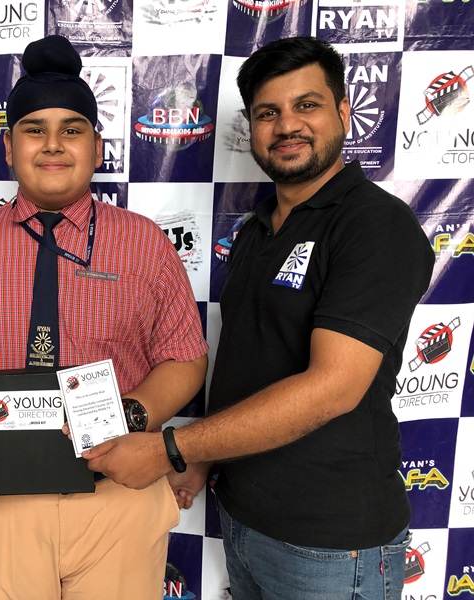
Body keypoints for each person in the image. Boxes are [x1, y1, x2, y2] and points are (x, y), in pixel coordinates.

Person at [83, 36, 435, 599]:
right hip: (245, 522)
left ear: (344, 113)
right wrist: (206, 461)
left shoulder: (375, 225)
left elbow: (334, 387)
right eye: (268, 113)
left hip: (332, 545)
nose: (287, 125)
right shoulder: (259, 228)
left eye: (307, 105)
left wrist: (174, 449)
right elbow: (249, 362)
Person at [0, 35, 208, 599]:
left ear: (96, 147)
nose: (53, 145)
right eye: (34, 130)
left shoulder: (143, 242)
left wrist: (132, 414)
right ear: (8, 146)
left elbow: (185, 358)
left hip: (117, 495)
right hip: (0, 497)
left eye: (72, 130)